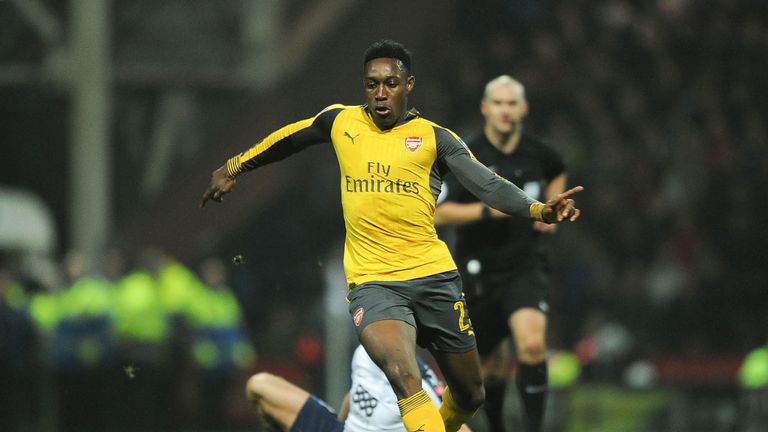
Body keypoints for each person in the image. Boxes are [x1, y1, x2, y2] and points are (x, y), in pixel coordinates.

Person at [201, 40, 582, 432]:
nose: (380, 94)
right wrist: (234, 166)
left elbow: (488, 183)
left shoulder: (435, 138)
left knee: (471, 394)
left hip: (433, 276)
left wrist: (538, 209)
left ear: (409, 84)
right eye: (371, 85)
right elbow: (289, 138)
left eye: (390, 83)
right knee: (404, 377)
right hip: (374, 282)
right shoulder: (341, 121)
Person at [434, 75, 567, 432]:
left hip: (524, 266)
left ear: (523, 109)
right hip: (479, 272)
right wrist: (487, 211)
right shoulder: (466, 155)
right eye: (498, 103)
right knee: (489, 367)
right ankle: (497, 428)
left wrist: (552, 210)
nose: (505, 111)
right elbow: (436, 212)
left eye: (512, 104)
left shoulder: (540, 153)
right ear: (485, 108)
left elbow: (557, 171)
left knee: (533, 345)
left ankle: (535, 427)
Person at [246, 345, 472, 432]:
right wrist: (341, 422)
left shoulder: (423, 387)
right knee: (259, 385)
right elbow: (355, 394)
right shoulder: (369, 350)